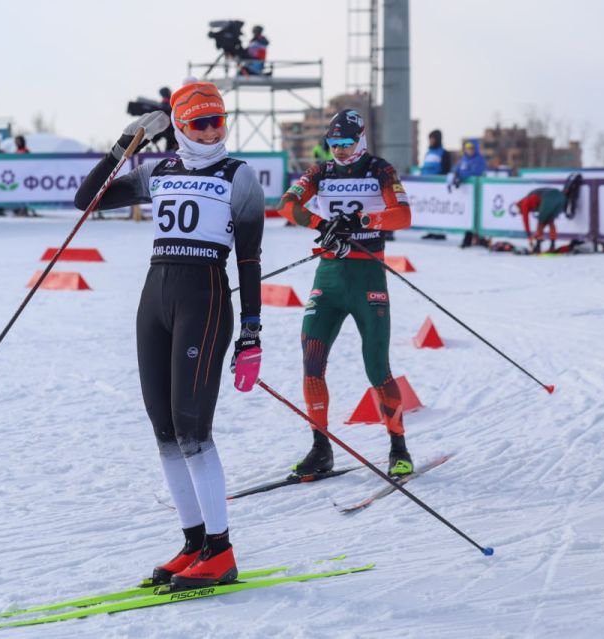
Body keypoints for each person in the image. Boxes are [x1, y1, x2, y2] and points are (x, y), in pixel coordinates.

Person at [74, 82, 265, 589]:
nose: (211, 130)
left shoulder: (239, 175)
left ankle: (221, 553)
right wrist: (125, 144)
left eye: (218, 121)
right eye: (201, 122)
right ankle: (195, 542)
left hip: (204, 298)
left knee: (192, 429)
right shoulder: (157, 170)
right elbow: (85, 200)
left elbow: (249, 259)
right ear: (180, 125)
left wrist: (252, 331)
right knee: (163, 429)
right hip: (155, 298)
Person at [276, 108, 415, 477]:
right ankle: (321, 448)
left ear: (361, 139)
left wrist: (364, 220)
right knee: (311, 361)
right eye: (332, 143)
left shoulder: (379, 169)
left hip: (368, 278)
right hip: (330, 276)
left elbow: (403, 215)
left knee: (376, 366)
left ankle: (398, 448)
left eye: (345, 143)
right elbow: (285, 205)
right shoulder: (319, 172)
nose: (338, 150)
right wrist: (324, 223)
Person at [515, 173, 582, 253]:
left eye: (520, 212)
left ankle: (538, 246)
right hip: (561, 198)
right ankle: (552, 245)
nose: (522, 213)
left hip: (549, 198)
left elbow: (525, 220)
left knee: (541, 222)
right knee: (550, 221)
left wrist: (529, 236)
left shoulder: (523, 204)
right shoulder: (529, 198)